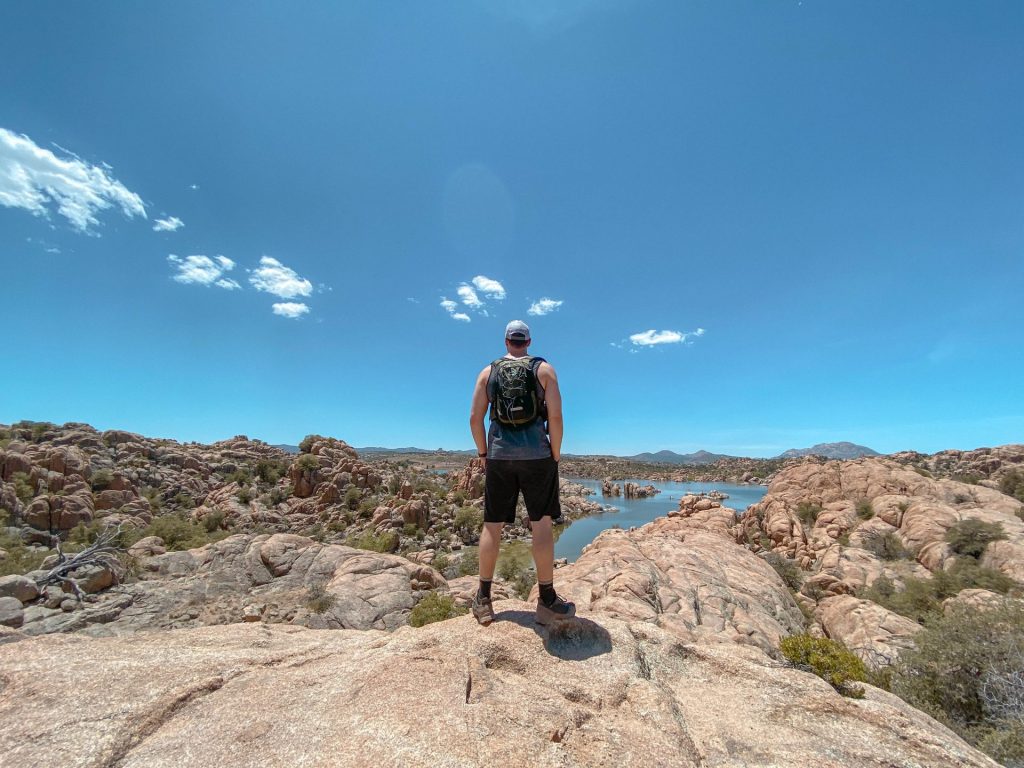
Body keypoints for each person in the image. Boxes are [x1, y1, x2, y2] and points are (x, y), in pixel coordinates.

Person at [468, 319, 576, 626]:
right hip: (537, 457)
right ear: (528, 342)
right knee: (541, 525)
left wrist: (484, 454)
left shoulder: (487, 373)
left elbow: (475, 419)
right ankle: (546, 601)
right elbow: (554, 416)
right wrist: (555, 453)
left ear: (506, 342)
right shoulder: (544, 370)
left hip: (500, 457)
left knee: (492, 526)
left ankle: (484, 600)